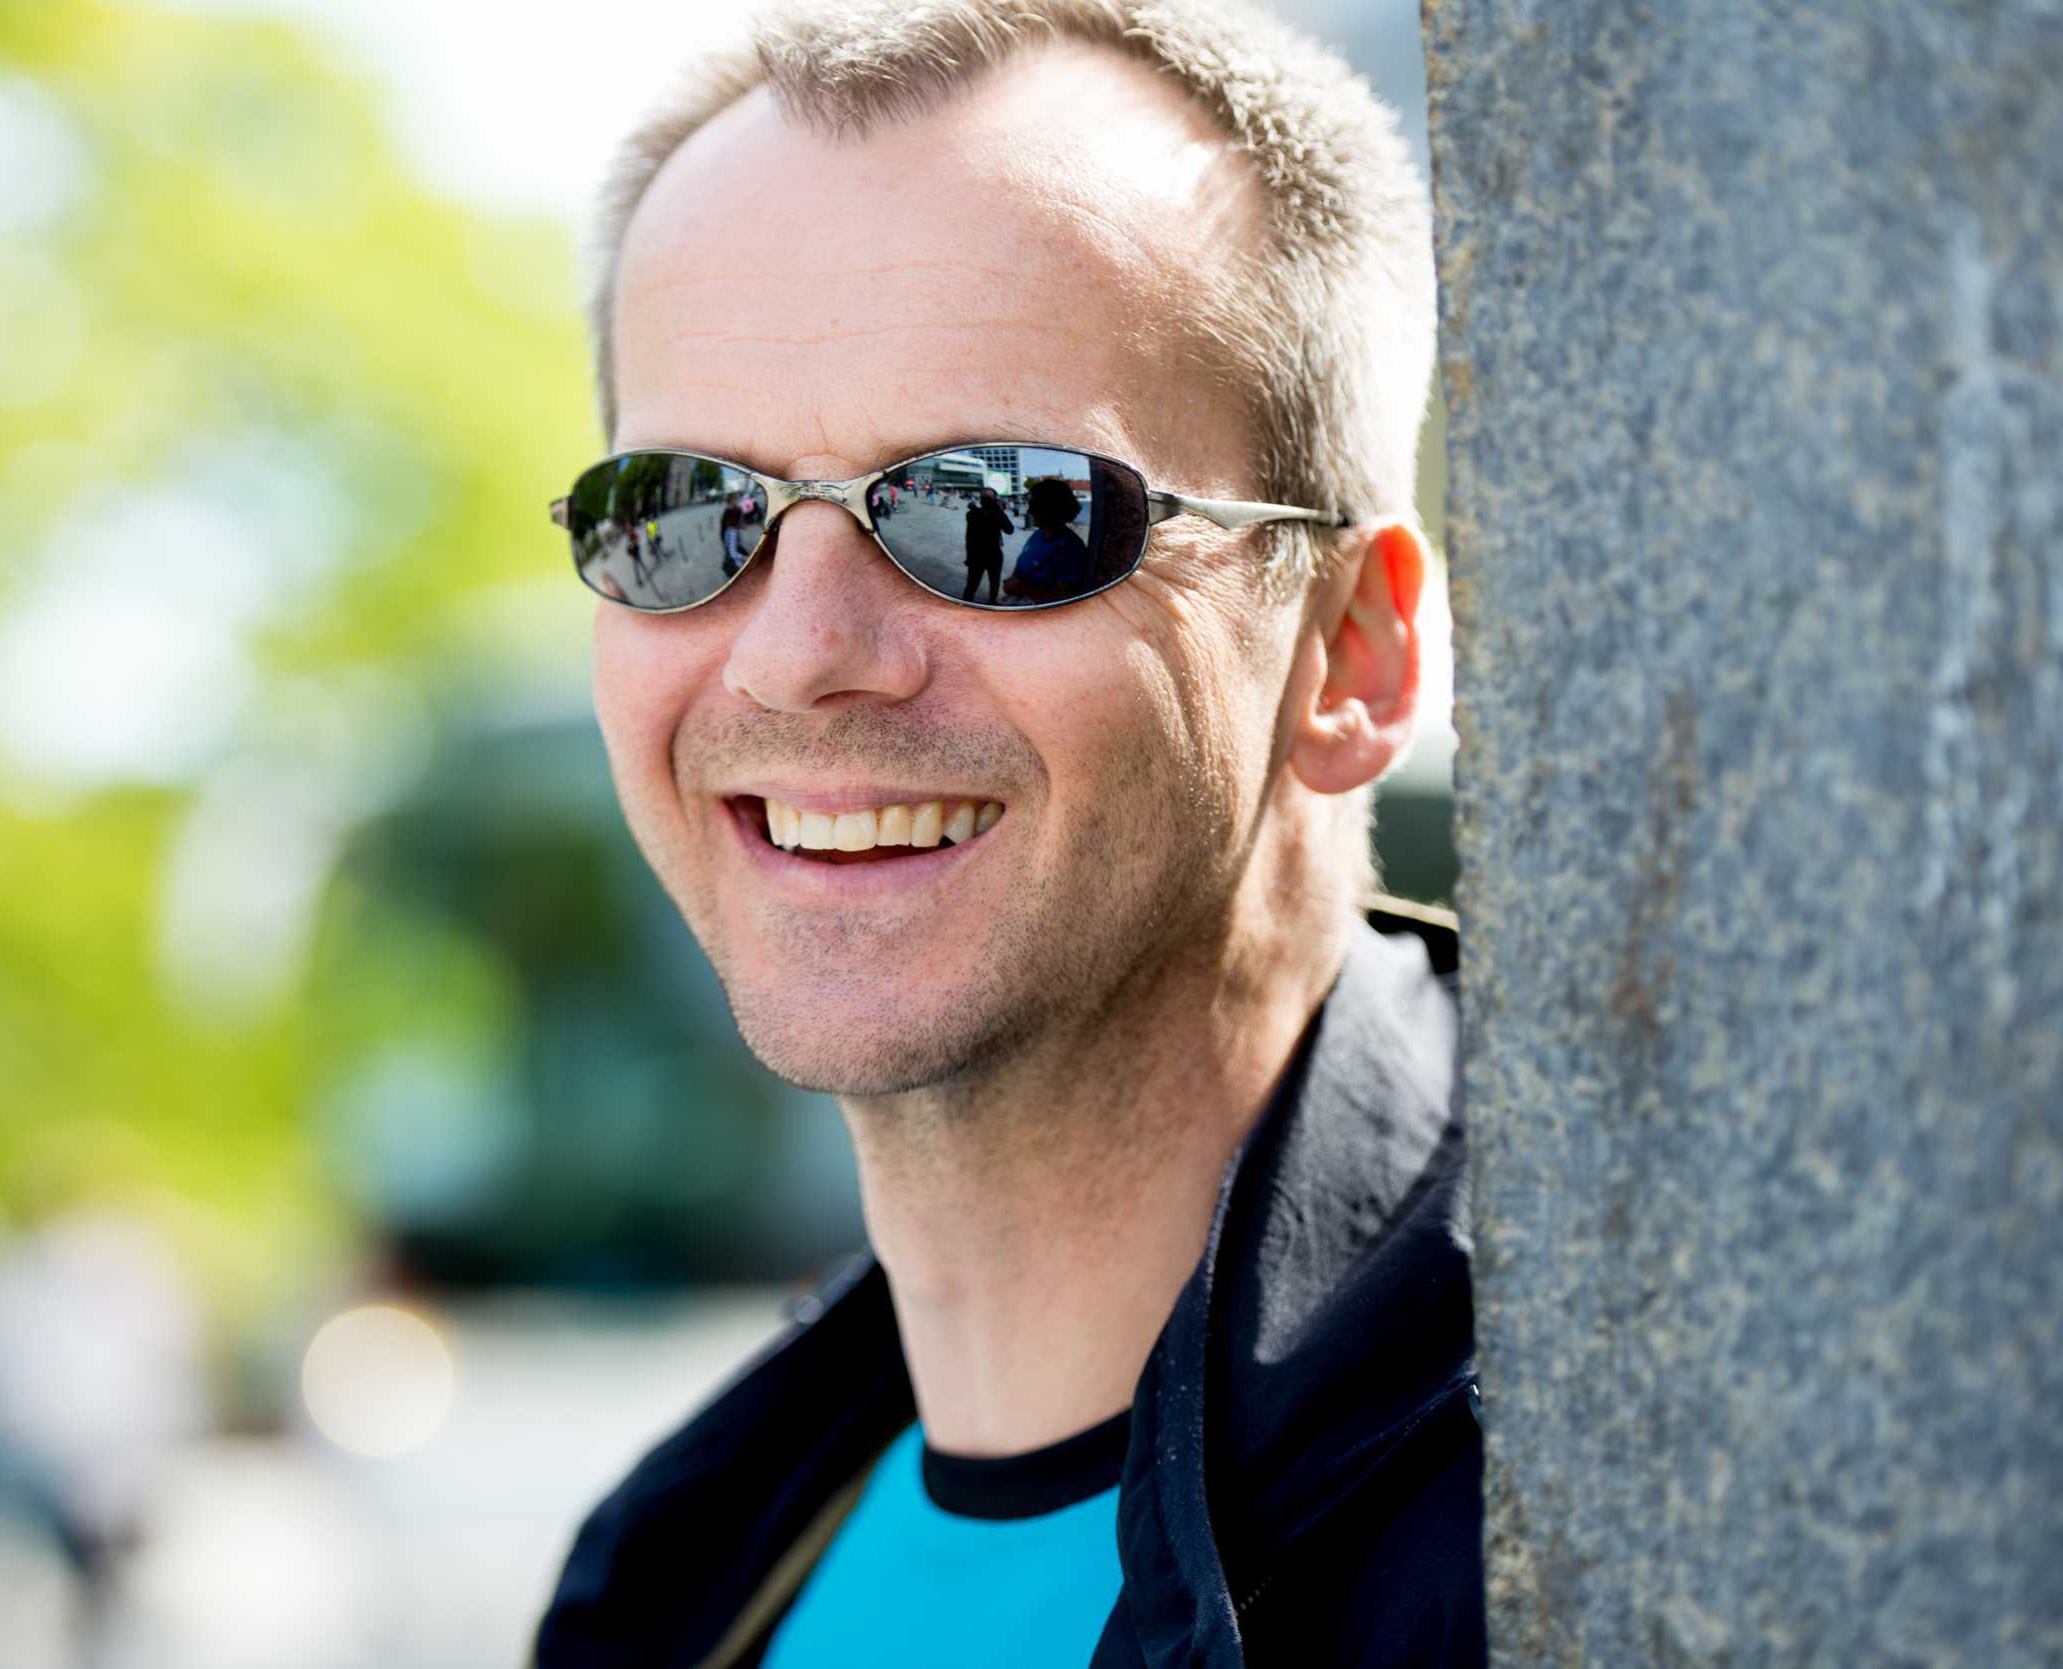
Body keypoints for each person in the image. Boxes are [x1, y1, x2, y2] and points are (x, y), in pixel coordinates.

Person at [535, 1, 1470, 1665]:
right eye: (683, 514)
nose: (800, 653)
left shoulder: (1616, 1515)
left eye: (1001, 509)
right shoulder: (667, 1581)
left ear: (1353, 649)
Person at [1002, 475, 1089, 603]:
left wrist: (1022, 587)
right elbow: (1021, 565)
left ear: (1051, 508)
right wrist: (1013, 581)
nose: (1029, 510)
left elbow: (1064, 599)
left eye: (1034, 505)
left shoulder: (1072, 549)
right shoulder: (1037, 535)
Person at [962, 485, 1017, 602]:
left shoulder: (991, 514)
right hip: (978, 556)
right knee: (972, 584)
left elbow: (1009, 530)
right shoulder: (972, 514)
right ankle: (967, 603)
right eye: (984, 498)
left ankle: (992, 601)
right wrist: (969, 558)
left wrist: (997, 510)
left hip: (993, 555)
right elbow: (969, 538)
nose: (986, 500)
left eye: (988, 498)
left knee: (994, 582)